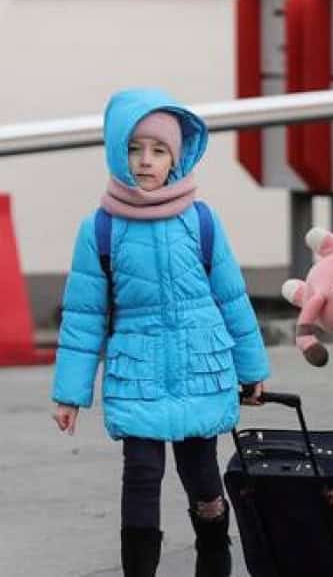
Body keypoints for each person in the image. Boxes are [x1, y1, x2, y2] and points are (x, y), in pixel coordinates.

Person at [50, 89, 270, 577]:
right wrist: (70, 393)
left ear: (177, 156)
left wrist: (252, 369)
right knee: (143, 475)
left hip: (201, 367)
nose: (146, 161)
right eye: (134, 149)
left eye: (158, 150)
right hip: (139, 370)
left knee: (203, 479)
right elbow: (83, 316)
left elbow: (232, 299)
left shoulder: (201, 221)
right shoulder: (101, 229)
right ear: (116, 152)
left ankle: (213, 561)